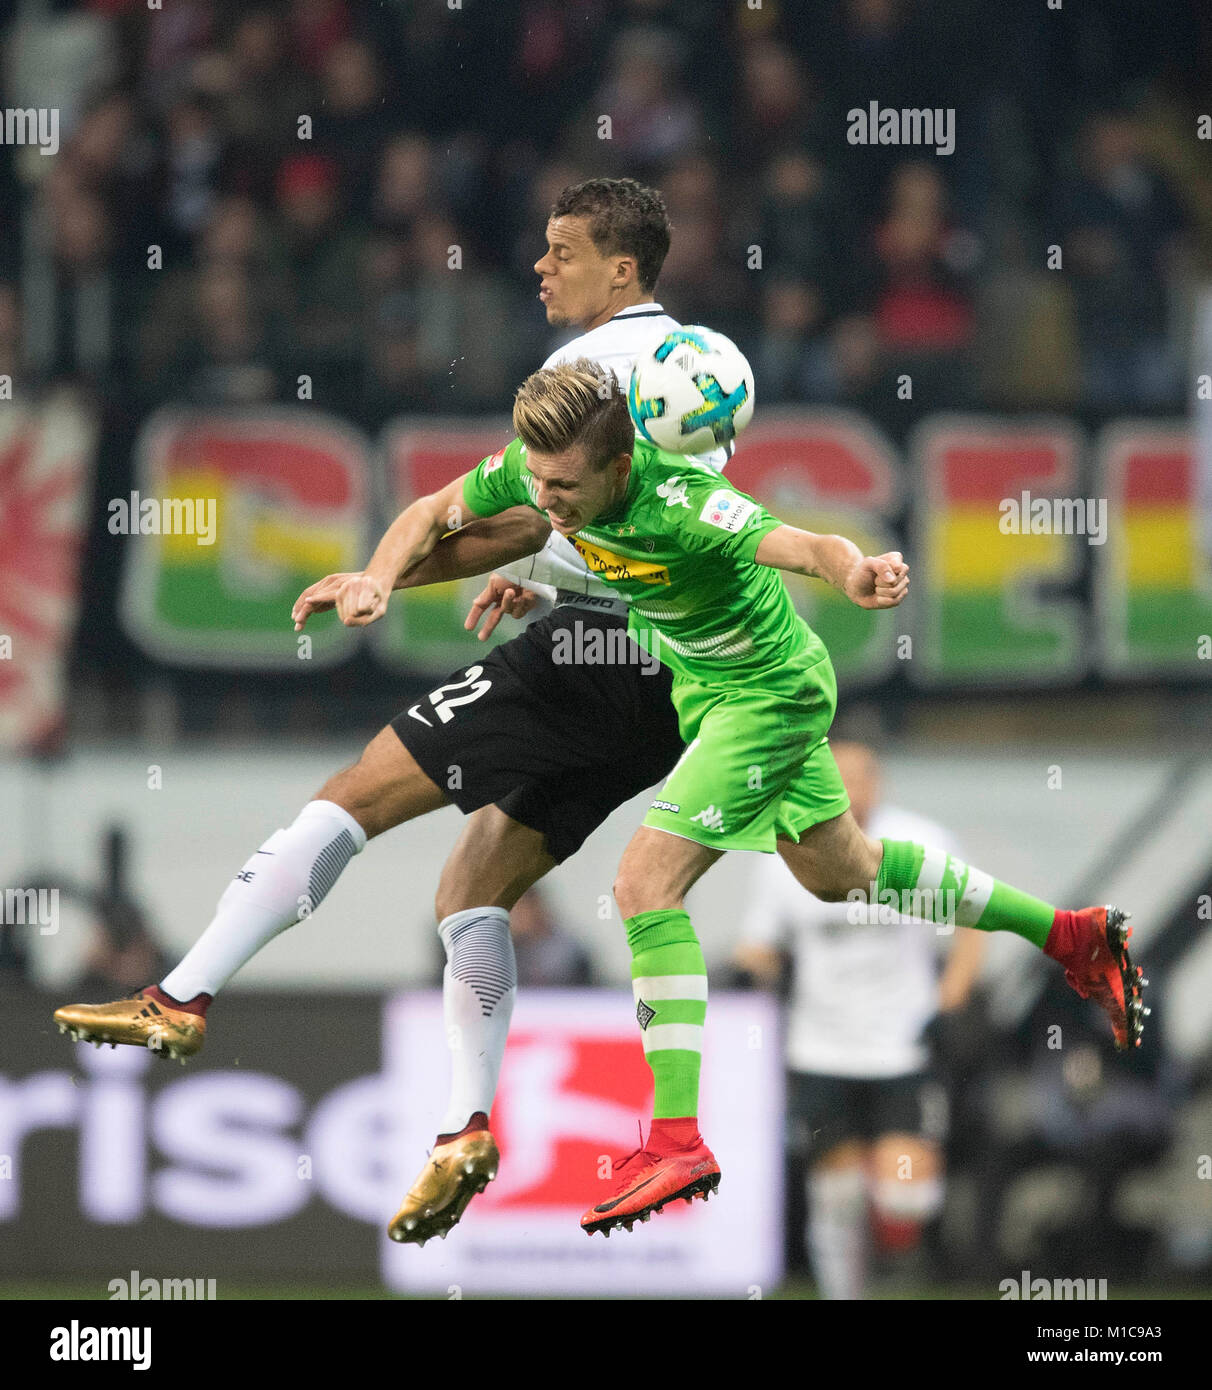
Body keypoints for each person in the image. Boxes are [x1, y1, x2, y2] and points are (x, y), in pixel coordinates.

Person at [52, 178, 725, 1246]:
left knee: (353, 796)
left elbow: (485, 511)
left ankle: (181, 994)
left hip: (590, 659)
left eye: (563, 251)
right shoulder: (696, 367)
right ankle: (464, 1129)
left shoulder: (583, 374)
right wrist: (552, 574)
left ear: (623, 270)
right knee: (471, 890)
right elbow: (633, 523)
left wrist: (378, 576)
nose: (543, 266)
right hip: (672, 681)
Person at [444, 360, 1145, 1238]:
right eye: (537, 480)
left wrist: (850, 574)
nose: (544, 496)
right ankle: (1069, 933)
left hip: (766, 696)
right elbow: (612, 564)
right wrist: (537, 582)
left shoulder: (687, 499)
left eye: (562, 484)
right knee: (842, 872)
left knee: (642, 884)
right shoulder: (548, 474)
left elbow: (807, 546)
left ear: (620, 465)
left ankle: (674, 1140)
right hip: (718, 695)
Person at [734, 741, 984, 1298]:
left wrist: (952, 999)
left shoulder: (920, 842)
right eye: (836, 776)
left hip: (903, 1045)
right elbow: (759, 946)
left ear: (879, 783)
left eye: (861, 777)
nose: (850, 788)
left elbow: (977, 919)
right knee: (837, 1198)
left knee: (903, 1199)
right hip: (821, 1049)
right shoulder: (785, 847)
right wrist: (743, 974)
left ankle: (898, 1248)